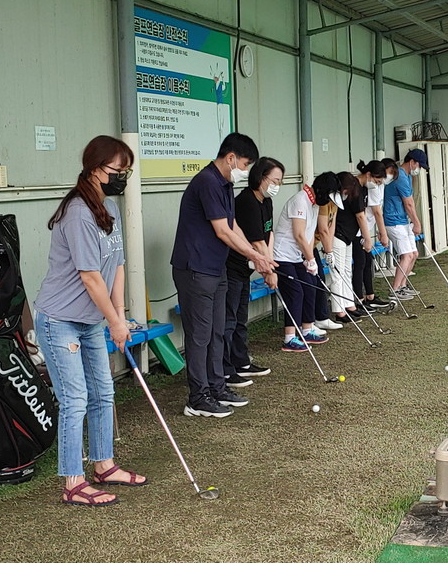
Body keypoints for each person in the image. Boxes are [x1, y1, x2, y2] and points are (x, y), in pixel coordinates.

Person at [35, 135, 145, 507]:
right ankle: (73, 482)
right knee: (75, 399)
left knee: (103, 391)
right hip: (60, 319)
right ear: (96, 169)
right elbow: (89, 276)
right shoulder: (79, 211)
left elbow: (115, 268)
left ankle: (104, 465)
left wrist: (120, 316)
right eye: (118, 171)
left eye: (126, 171)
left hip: (91, 318)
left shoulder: (107, 206)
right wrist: (113, 320)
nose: (122, 177)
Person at [171, 133, 276, 418]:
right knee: (200, 335)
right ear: (230, 158)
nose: (244, 171)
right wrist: (255, 256)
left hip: (217, 269)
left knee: (218, 331)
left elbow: (234, 227)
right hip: (196, 269)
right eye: (244, 164)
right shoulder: (207, 182)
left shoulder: (225, 184)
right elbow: (222, 231)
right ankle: (198, 397)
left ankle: (217, 387)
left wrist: (261, 254)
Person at [223, 157, 281, 387]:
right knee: (229, 319)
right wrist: (269, 270)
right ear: (260, 177)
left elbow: (268, 234)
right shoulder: (246, 201)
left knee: (240, 318)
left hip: (246, 268)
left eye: (280, 181)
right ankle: (226, 369)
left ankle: (240, 361)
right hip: (231, 267)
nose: (277, 185)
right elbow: (257, 242)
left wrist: (271, 263)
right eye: (274, 180)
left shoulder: (265, 201)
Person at [273, 173, 335, 350]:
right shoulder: (300, 200)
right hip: (281, 256)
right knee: (295, 292)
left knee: (310, 286)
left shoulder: (314, 204)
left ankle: (306, 330)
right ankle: (289, 338)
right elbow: (298, 234)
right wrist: (311, 259)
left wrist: (308, 259)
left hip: (296, 256)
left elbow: (307, 237)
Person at [382, 149, 427, 301]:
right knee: (407, 255)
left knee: (414, 254)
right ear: (412, 162)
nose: (419, 169)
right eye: (419, 165)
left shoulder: (406, 176)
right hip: (394, 222)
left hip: (402, 221)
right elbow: (408, 203)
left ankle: (402, 286)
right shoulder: (400, 176)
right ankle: (394, 290)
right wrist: (417, 222)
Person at [330, 170, 372, 324]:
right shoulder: (335, 196)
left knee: (347, 271)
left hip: (348, 236)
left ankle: (348, 304)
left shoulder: (355, 190)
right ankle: (339, 311)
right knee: (338, 274)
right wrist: (367, 238)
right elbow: (360, 216)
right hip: (337, 237)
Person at [352, 159, 392, 311]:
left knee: (367, 262)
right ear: (369, 174)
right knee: (360, 264)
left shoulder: (364, 187)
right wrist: (378, 234)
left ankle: (369, 296)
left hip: (363, 231)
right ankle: (359, 300)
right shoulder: (357, 186)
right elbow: (364, 214)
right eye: (377, 180)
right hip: (356, 233)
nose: (377, 184)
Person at [313, 174, 344, 331]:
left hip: (315, 245)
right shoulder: (323, 203)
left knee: (320, 279)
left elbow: (331, 227)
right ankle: (315, 319)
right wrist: (329, 252)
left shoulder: (335, 203)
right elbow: (323, 228)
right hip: (306, 246)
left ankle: (321, 317)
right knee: (316, 280)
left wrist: (328, 249)